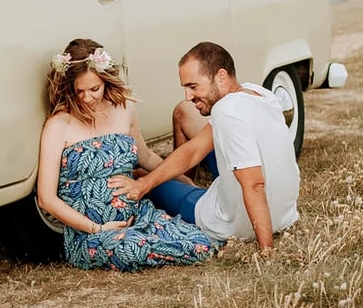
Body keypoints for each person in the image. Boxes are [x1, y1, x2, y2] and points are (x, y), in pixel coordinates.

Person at [36, 38, 220, 271]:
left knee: (200, 242)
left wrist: (179, 176)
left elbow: (146, 157)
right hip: (91, 234)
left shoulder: (124, 111)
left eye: (94, 89)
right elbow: (46, 198)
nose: (87, 97)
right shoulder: (58, 125)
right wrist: (97, 228)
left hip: (137, 214)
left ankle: (152, 234)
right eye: (79, 90)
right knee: (131, 248)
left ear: (106, 81)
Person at [108, 42, 299, 252]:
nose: (188, 97)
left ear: (221, 77)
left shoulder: (227, 112)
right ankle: (185, 183)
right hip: (284, 215)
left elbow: (254, 185)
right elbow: (193, 151)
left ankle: (186, 191)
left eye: (193, 86)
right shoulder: (260, 93)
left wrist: (267, 250)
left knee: (139, 174)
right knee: (183, 118)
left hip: (237, 224)